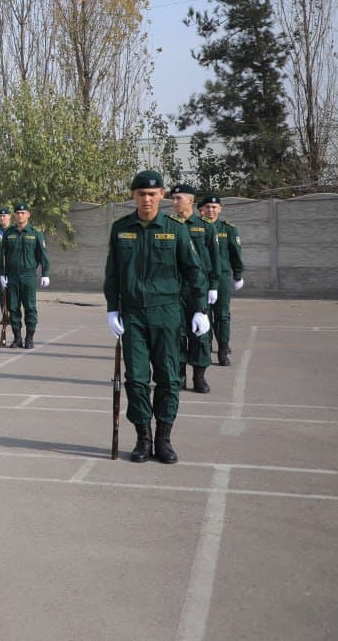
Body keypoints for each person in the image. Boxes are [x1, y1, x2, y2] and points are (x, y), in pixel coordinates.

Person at [105, 170, 208, 463]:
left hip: (167, 313)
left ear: (161, 195)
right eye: (141, 194)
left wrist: (199, 308)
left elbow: (194, 271)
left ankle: (163, 439)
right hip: (133, 315)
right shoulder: (121, 228)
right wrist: (112, 307)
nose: (147, 199)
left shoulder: (176, 229)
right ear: (133, 196)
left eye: (152, 194)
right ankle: (143, 438)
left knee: (168, 377)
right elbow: (112, 272)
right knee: (136, 379)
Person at [169, 183, 222, 394]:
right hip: (175, 288)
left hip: (199, 287)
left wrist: (214, 285)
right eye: (172, 199)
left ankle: (199, 377)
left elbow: (215, 258)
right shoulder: (168, 226)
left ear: (190, 200)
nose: (174, 203)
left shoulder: (205, 226)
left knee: (200, 334)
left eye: (178, 198)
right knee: (177, 332)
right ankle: (179, 374)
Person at [0, 203, 51, 349]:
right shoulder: (9, 233)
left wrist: (45, 273)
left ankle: (29, 338)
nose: (20, 215)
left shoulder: (35, 233)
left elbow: (43, 255)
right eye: (18, 213)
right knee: (13, 307)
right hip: (12, 276)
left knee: (30, 307)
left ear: (28, 214)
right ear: (14, 215)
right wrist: (2, 274)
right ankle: (17, 338)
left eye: (23, 212)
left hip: (28, 276)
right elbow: (1, 255)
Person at [200, 195, 244, 366]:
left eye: (214, 207)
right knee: (204, 313)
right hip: (203, 277)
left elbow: (235, 253)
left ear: (220, 209)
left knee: (222, 314)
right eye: (207, 207)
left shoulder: (228, 229)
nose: (211, 210)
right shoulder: (196, 228)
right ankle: (206, 346)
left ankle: (223, 349)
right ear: (201, 210)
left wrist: (238, 274)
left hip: (223, 277)